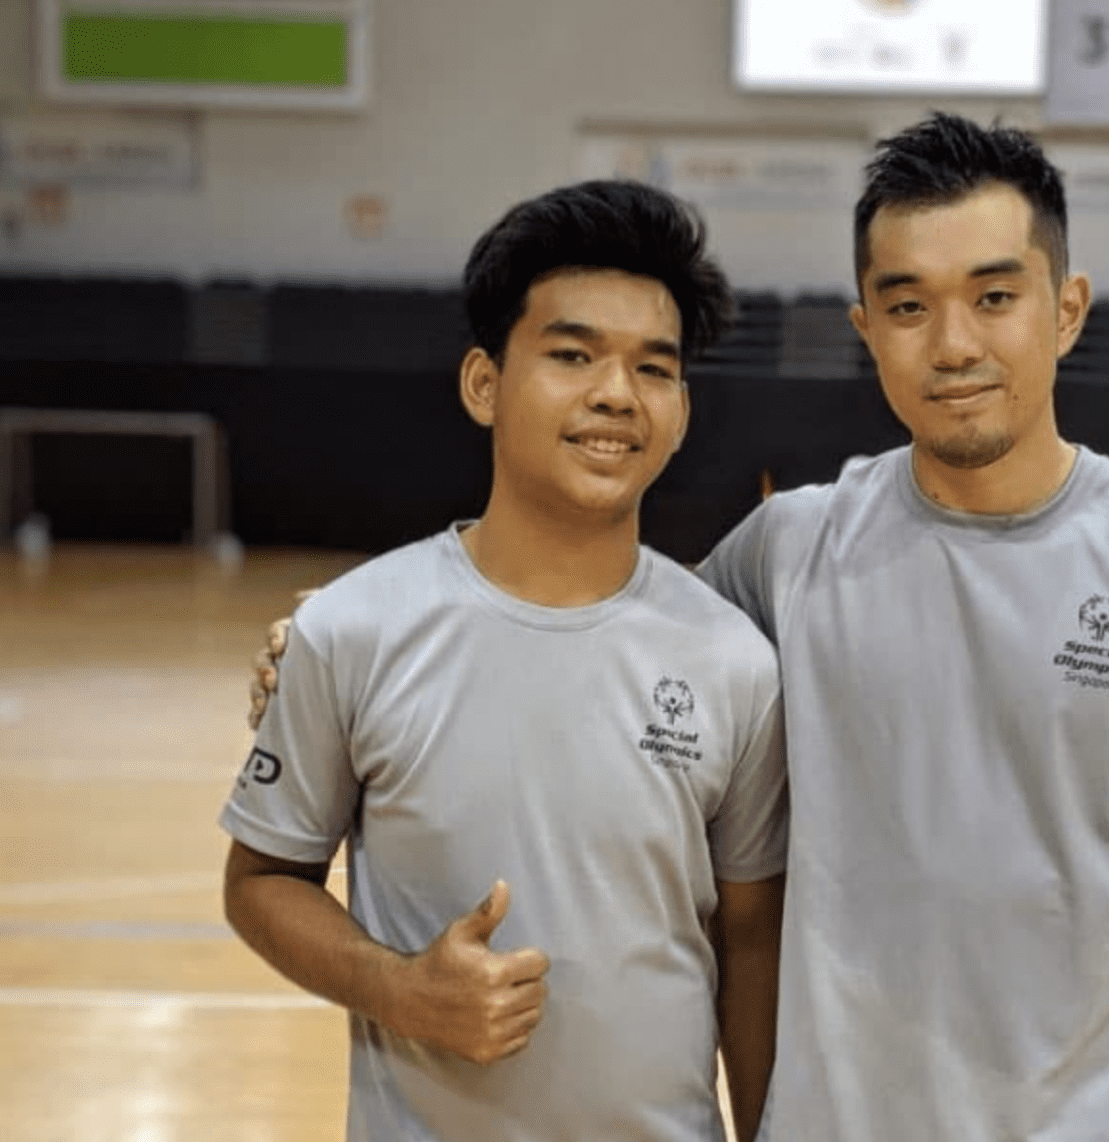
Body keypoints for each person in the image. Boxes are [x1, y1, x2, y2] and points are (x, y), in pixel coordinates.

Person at [253, 114, 1109, 1141]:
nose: (953, 343)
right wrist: (334, 640)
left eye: (995, 296)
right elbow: (589, 620)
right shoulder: (788, 549)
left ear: (1067, 308)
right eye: (907, 306)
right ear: (865, 327)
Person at [224, 180, 787, 1142]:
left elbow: (749, 943)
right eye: (573, 355)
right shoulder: (353, 628)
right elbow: (262, 881)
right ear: (484, 382)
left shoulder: (735, 660)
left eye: (653, 369)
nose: (616, 393)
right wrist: (401, 991)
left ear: (682, 410)